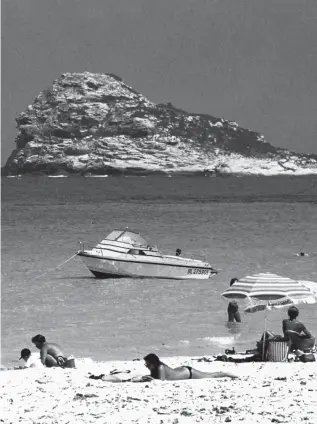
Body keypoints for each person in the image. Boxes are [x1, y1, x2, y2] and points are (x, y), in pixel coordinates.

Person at [143, 353, 238, 381]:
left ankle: (224, 373)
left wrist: (149, 378)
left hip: (187, 373)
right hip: (179, 370)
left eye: (148, 364)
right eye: (146, 364)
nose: (146, 366)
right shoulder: (156, 368)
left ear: (154, 363)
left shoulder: (160, 368)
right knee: (208, 375)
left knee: (210, 376)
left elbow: (162, 380)